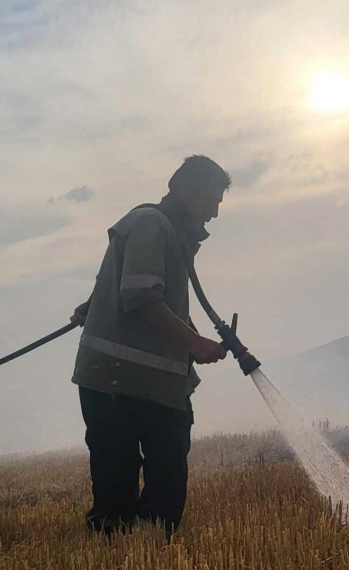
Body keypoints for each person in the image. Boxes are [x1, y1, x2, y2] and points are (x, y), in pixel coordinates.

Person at [70, 155, 230, 535]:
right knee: (121, 497)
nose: (214, 214)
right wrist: (193, 340)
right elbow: (142, 297)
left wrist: (192, 341)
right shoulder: (150, 224)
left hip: (147, 384)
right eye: (212, 201)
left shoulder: (166, 232)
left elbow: (141, 292)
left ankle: (141, 562)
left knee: (162, 490)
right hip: (119, 383)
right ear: (188, 190)